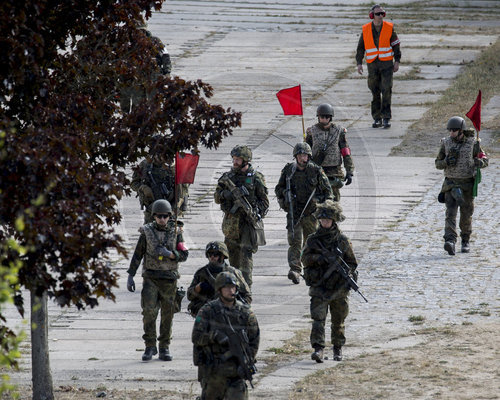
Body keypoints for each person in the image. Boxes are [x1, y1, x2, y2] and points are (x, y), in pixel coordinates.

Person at [126, 199, 189, 361]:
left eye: (165, 216)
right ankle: (150, 346)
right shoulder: (147, 232)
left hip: (169, 279)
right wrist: (131, 275)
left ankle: (164, 346)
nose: (162, 219)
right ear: (154, 216)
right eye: (159, 216)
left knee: (167, 315)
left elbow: (184, 254)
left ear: (169, 216)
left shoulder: (176, 231)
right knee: (149, 312)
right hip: (151, 277)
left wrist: (170, 254)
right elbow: (138, 254)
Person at [301, 200, 358, 363]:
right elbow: (304, 258)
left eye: (327, 220)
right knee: (318, 320)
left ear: (334, 221)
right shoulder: (313, 240)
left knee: (338, 321)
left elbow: (353, 263)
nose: (324, 223)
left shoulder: (343, 241)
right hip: (319, 286)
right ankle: (318, 349)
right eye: (322, 220)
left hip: (339, 288)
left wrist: (346, 272)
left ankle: (337, 348)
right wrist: (320, 259)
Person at [192, 272, 260, 400]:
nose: (231, 290)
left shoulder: (245, 313)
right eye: (227, 287)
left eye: (233, 287)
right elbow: (196, 337)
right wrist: (214, 336)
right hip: (213, 372)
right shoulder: (207, 311)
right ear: (219, 289)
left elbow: (254, 340)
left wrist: (247, 360)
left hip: (236, 372)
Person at [275, 143, 333, 285]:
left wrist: (322, 206)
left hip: (311, 213)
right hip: (294, 213)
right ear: (296, 156)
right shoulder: (289, 171)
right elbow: (279, 189)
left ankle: (312, 269)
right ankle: (295, 269)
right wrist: (284, 199)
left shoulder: (316, 171)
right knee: (294, 241)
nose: (303, 158)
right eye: (300, 155)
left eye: (305, 155)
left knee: (311, 242)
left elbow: (328, 193)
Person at [214, 145, 269, 287]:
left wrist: (256, 213)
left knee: (246, 258)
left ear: (246, 160)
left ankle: (246, 288)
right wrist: (226, 194)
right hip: (232, 224)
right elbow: (217, 196)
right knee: (232, 259)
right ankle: (233, 287)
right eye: (234, 159)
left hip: (248, 225)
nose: (235, 162)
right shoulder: (227, 178)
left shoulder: (256, 178)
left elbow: (264, 202)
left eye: (238, 159)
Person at [435, 116, 488, 255]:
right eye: (450, 130)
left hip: (467, 186)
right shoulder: (446, 143)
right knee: (450, 214)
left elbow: (485, 160)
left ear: (461, 131)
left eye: (454, 130)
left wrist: (479, 162)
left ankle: (465, 240)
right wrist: (446, 161)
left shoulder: (473, 143)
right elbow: (437, 164)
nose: (451, 133)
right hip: (450, 185)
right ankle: (450, 241)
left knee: (466, 215)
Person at [356, 4, 401, 129]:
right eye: (378, 14)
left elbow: (396, 45)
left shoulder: (389, 28)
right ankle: (377, 118)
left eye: (382, 13)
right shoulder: (366, 30)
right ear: (372, 16)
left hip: (387, 65)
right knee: (375, 92)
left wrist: (397, 61)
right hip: (372, 65)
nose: (380, 16)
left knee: (386, 90)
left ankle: (386, 118)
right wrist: (359, 63)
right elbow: (360, 48)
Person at [187, 241, 252, 317]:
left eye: (215, 254)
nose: (212, 257)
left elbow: (247, 296)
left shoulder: (233, 272)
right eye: (210, 254)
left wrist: (236, 305)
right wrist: (198, 287)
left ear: (223, 256)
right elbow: (189, 296)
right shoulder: (201, 273)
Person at [130, 139, 188, 223]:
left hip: (171, 207)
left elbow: (184, 186)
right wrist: (143, 188)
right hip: (151, 206)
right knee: (147, 232)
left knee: (172, 233)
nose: (160, 157)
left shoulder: (174, 166)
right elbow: (134, 183)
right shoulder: (145, 165)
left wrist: (178, 204)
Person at [306, 103, 355, 201]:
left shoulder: (339, 131)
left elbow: (345, 152)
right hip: (317, 170)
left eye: (327, 117)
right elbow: (306, 152)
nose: (324, 119)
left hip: (334, 172)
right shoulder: (312, 132)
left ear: (330, 117)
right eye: (322, 117)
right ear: (318, 117)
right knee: (317, 201)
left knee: (334, 201)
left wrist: (349, 171)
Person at [120, 23, 171, 113]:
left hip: (154, 77)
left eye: (141, 31)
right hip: (136, 78)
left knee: (154, 103)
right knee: (138, 105)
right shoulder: (129, 44)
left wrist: (167, 72)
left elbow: (165, 56)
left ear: (145, 30)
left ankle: (154, 121)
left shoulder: (155, 41)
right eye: (137, 31)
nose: (140, 33)